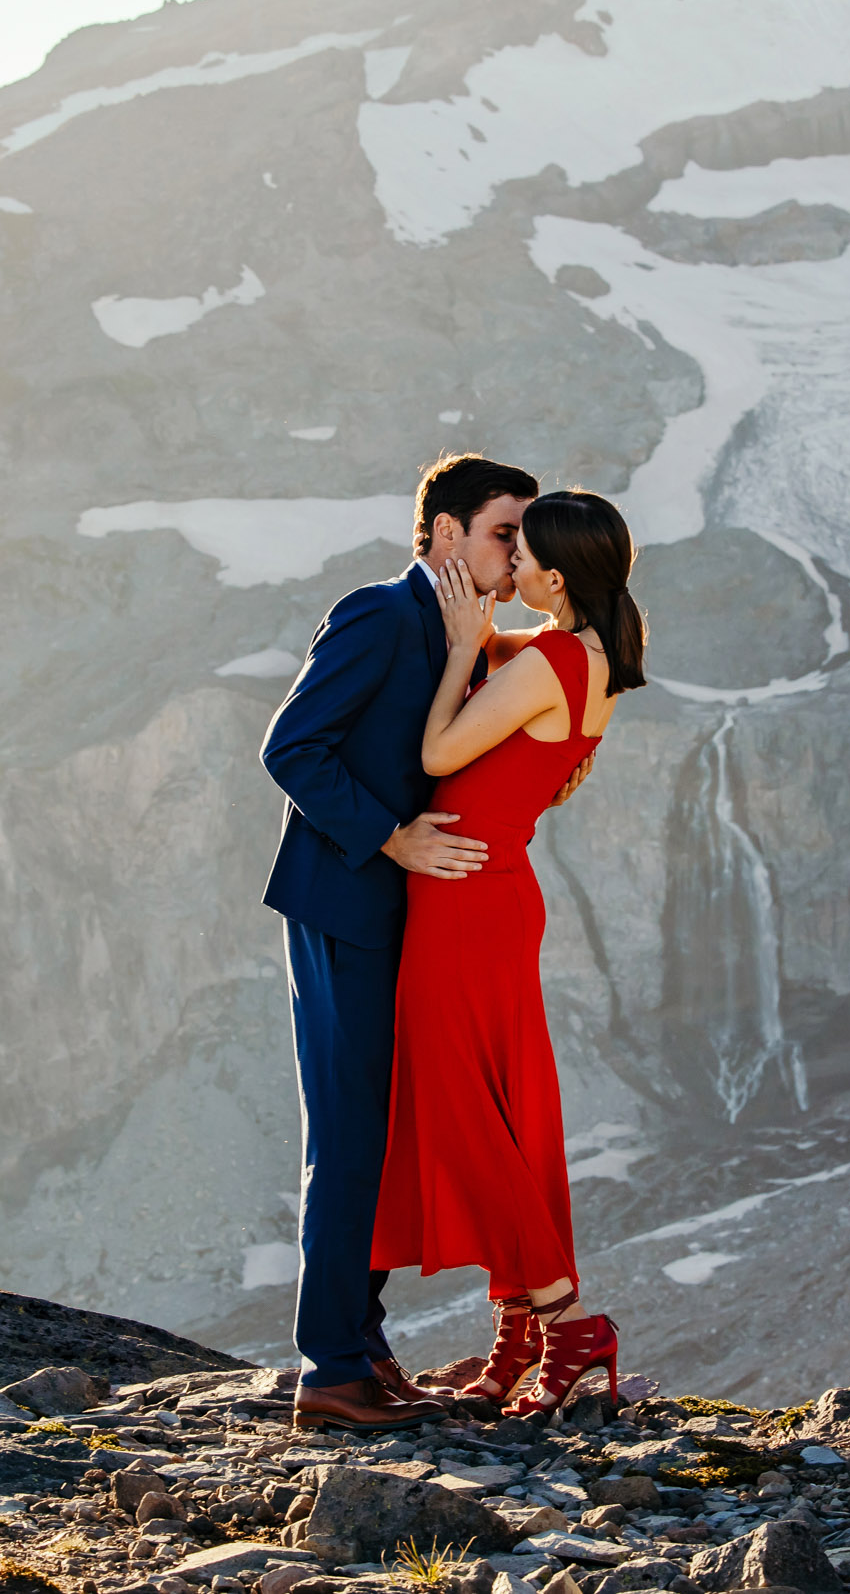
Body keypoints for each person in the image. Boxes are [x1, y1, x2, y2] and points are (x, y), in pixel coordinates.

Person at [259, 453, 555, 1431]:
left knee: (384, 1138)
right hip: (344, 906)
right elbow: (290, 745)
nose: (516, 552)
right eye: (502, 532)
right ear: (442, 535)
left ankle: (364, 1344)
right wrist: (390, 834)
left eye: (522, 535)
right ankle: (329, 1371)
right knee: (348, 1134)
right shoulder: (380, 614)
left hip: (409, 920)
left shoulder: (468, 629)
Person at [370, 488, 648, 1419]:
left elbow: (442, 752)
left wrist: (459, 648)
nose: (509, 568)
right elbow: (524, 686)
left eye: (521, 555)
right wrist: (483, 633)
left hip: (465, 900)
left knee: (465, 1108)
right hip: (492, 894)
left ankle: (567, 1324)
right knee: (505, 1110)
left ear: (556, 577)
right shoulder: (590, 653)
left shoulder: (554, 659)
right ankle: (517, 1335)